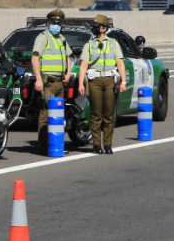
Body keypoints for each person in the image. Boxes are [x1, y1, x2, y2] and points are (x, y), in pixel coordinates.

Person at [78, 15, 127, 155]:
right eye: (94, 25)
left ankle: (108, 144)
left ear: (104, 28)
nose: (94, 28)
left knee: (109, 114)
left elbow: (120, 63)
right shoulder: (89, 44)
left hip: (110, 80)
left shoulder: (113, 43)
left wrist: (123, 82)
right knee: (96, 114)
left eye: (97, 25)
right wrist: (81, 84)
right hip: (94, 81)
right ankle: (96, 145)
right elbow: (83, 66)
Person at [32, 9, 72, 153]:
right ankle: (43, 147)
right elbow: (35, 58)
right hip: (47, 81)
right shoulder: (43, 37)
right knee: (45, 113)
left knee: (58, 114)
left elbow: (68, 56)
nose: (56, 24)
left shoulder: (62, 38)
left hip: (60, 82)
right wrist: (38, 80)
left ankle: (56, 145)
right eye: (54, 22)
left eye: (59, 22)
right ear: (48, 23)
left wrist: (68, 72)